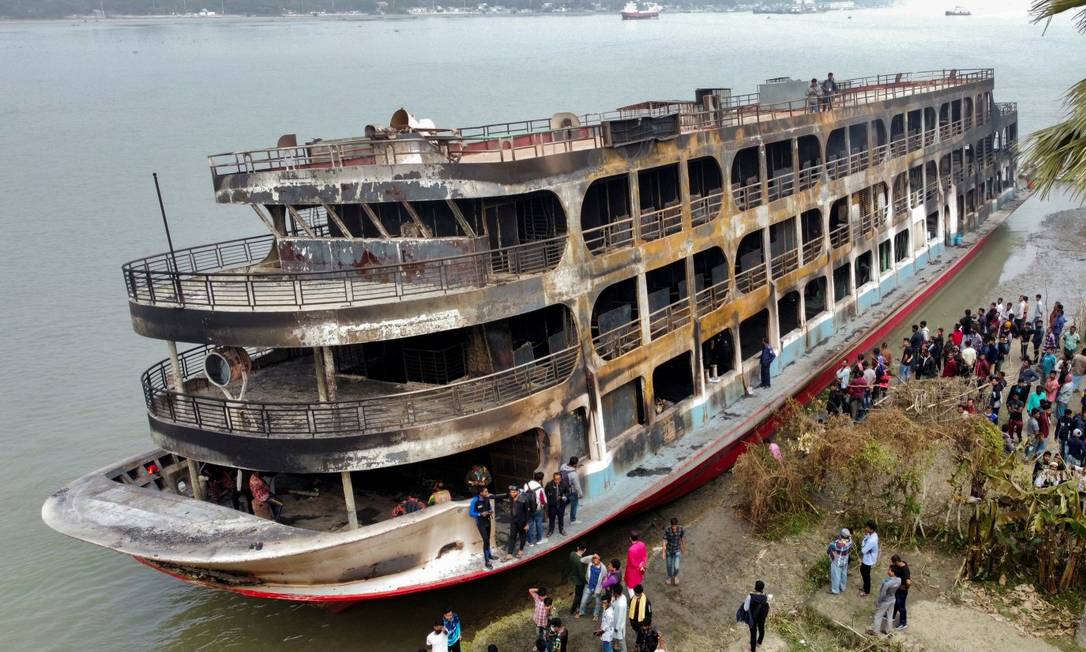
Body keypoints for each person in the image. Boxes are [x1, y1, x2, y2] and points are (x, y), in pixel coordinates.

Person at [866, 565, 901, 636]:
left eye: (890, 570)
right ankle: (888, 631)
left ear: (893, 572)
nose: (888, 571)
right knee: (890, 615)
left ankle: (875, 632)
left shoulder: (887, 583)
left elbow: (882, 594)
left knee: (878, 615)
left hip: (885, 601)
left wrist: (878, 601)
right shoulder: (899, 580)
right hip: (893, 599)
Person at [741, 580, 770, 652]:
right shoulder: (765, 596)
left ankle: (752, 649)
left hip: (753, 617)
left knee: (753, 632)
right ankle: (759, 642)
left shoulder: (750, 596)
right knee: (761, 628)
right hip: (762, 616)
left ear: (755, 587)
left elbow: (746, 608)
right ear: (763, 588)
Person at [469, 487, 494, 569]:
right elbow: (471, 513)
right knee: (485, 540)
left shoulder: (487, 499)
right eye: (485, 491)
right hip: (480, 523)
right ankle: (487, 561)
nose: (487, 492)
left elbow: (490, 508)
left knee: (488, 539)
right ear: (480, 493)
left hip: (488, 521)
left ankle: (490, 555)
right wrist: (480, 514)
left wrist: (490, 511)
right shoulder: (475, 500)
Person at [578, 552, 607, 619]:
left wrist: (601, 587)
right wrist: (592, 556)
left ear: (599, 559)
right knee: (583, 600)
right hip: (588, 586)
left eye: (596, 559)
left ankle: (596, 615)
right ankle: (581, 612)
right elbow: (582, 560)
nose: (594, 561)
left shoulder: (603, 568)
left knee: (597, 602)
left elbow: (605, 578)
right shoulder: (590, 563)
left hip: (597, 588)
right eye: (593, 559)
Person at [524, 472, 548, 546]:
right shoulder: (540, 488)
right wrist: (545, 507)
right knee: (538, 523)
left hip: (528, 509)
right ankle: (539, 539)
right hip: (538, 509)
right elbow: (544, 500)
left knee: (530, 524)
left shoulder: (526, 484)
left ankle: (530, 542)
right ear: (541, 479)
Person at [506, 486, 530, 558]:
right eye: (511, 492)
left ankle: (521, 550)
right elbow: (502, 495)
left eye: (514, 492)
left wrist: (527, 524)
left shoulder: (524, 500)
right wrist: (490, 496)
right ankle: (509, 553)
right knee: (512, 536)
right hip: (513, 521)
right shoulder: (511, 498)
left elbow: (527, 512)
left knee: (522, 535)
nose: (512, 494)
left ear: (518, 492)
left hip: (522, 521)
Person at [827, 528, 853, 594]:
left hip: (837, 562)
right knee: (844, 575)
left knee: (836, 576)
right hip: (845, 561)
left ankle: (835, 590)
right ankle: (842, 587)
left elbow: (830, 548)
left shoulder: (836, 544)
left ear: (841, 535)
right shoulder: (850, 541)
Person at [545, 471, 571, 537]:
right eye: (555, 479)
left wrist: (564, 497)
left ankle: (561, 530)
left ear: (561, 478)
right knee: (551, 518)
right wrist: (549, 500)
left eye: (558, 479)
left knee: (561, 518)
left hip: (561, 505)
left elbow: (568, 492)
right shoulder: (549, 484)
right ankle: (551, 530)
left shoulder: (564, 484)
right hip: (552, 506)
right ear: (553, 479)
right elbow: (545, 493)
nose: (557, 481)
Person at [628, 584, 653, 649]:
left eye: (638, 594)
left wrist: (646, 625)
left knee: (641, 636)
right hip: (634, 623)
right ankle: (638, 644)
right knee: (637, 634)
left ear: (641, 593)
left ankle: (639, 645)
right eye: (635, 593)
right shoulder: (632, 599)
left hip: (642, 624)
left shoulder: (647, 602)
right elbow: (630, 608)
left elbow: (649, 614)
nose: (636, 595)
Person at [559, 457, 583, 523]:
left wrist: (576, 467)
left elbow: (567, 469)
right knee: (574, 503)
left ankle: (559, 515)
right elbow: (577, 486)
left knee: (563, 503)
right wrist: (580, 494)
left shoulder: (563, 466)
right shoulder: (574, 474)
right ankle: (573, 520)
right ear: (575, 464)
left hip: (562, 489)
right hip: (570, 490)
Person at [662, 517, 685, 585]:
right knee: (669, 566)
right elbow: (664, 540)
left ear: (677, 525)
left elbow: (681, 538)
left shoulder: (681, 529)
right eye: (673, 526)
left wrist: (682, 547)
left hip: (676, 551)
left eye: (675, 526)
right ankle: (669, 577)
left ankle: (675, 576)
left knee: (676, 567)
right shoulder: (667, 530)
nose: (674, 528)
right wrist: (663, 552)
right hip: (669, 551)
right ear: (671, 525)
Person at [891, 555, 911, 631]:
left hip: (902, 591)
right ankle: (892, 616)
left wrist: (905, 588)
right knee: (896, 602)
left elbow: (908, 582)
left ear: (896, 562)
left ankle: (903, 623)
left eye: (894, 563)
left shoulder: (905, 569)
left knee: (901, 606)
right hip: (898, 589)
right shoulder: (902, 563)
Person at [859, 520, 879, 596]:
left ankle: (866, 591)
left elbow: (863, 550)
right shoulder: (872, 534)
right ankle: (865, 586)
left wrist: (863, 543)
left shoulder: (872, 540)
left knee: (866, 574)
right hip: (867, 557)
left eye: (867, 527)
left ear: (872, 529)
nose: (866, 528)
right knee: (863, 571)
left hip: (869, 559)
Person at [568, 542, 589, 615]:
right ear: (585, 550)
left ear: (577, 548)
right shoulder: (580, 561)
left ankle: (577, 606)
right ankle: (574, 609)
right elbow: (581, 574)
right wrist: (586, 581)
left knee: (578, 594)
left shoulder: (572, 554)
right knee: (578, 595)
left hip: (573, 575)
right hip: (579, 580)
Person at [625, 531, 648, 596]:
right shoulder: (642, 544)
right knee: (638, 582)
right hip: (640, 568)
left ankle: (633, 601)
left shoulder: (631, 550)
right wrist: (642, 565)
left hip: (632, 571)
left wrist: (638, 566)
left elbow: (632, 562)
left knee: (630, 587)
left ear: (630, 538)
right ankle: (640, 596)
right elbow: (645, 556)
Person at [610, 584, 629, 652]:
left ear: (616, 593)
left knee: (621, 640)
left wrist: (617, 628)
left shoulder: (621, 604)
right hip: (616, 623)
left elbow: (620, 617)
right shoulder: (623, 597)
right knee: (617, 638)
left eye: (613, 592)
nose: (612, 593)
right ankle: (615, 647)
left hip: (618, 626)